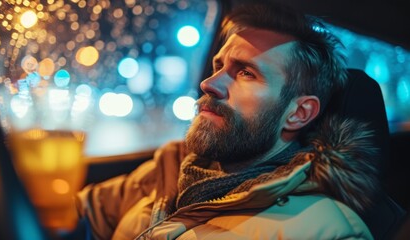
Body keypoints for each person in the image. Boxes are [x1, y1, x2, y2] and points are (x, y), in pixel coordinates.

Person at [76, 1, 380, 239]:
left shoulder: (324, 230)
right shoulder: (171, 166)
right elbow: (74, 215)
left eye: (246, 73)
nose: (209, 84)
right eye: (217, 65)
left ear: (298, 113)